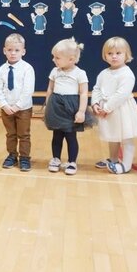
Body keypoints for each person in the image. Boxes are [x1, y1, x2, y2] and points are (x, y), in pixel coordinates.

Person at [91, 37, 137, 174]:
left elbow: (121, 94)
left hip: (122, 110)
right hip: (108, 110)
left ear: (126, 55)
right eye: (110, 53)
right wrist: (95, 103)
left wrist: (107, 108)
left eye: (118, 53)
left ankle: (126, 165)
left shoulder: (127, 74)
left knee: (127, 136)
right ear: (105, 55)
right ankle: (113, 159)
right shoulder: (104, 73)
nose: (114, 56)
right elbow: (97, 88)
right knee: (113, 135)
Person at [44, 38, 94, 176]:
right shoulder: (55, 71)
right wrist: (47, 105)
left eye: (57, 58)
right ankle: (56, 159)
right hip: (56, 106)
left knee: (71, 136)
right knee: (57, 135)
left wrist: (81, 111)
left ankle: (72, 161)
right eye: (53, 57)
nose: (54, 60)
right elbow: (50, 89)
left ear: (71, 59)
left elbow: (83, 93)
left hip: (71, 108)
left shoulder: (80, 73)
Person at [0, 33, 35, 172]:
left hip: (23, 109)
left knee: (24, 134)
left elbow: (28, 90)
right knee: (10, 134)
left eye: (17, 50)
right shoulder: (1, 70)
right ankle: (12, 155)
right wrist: (4, 105)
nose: (13, 53)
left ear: (23, 51)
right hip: (6, 109)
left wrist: (18, 106)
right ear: (4, 50)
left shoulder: (27, 69)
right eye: (10, 50)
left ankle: (24, 157)